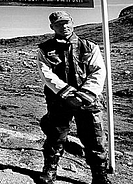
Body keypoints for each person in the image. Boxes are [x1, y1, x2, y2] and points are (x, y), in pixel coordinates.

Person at [36, 11, 111, 184]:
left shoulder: (89, 46)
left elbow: (98, 72)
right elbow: (46, 74)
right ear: (52, 27)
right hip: (59, 101)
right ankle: (50, 170)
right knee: (55, 137)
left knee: (96, 138)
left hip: (88, 101)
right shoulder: (44, 49)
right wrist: (67, 93)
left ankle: (99, 175)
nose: (64, 26)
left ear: (72, 22)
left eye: (67, 22)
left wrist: (83, 96)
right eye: (59, 24)